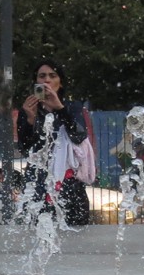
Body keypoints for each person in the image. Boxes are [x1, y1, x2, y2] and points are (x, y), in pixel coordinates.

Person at [15, 58, 91, 227]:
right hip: (38, 183)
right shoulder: (29, 109)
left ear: (60, 82)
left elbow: (78, 136)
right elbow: (24, 147)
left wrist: (60, 108)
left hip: (69, 184)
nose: (46, 80)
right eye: (42, 76)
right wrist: (30, 119)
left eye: (52, 75)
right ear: (36, 82)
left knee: (75, 234)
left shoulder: (72, 107)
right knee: (39, 234)